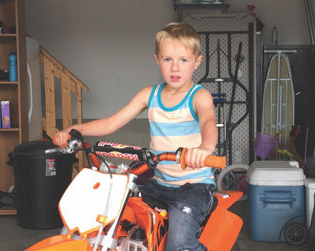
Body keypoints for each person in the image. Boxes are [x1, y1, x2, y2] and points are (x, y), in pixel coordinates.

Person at [54, 22, 218, 251]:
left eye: (183, 60)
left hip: (193, 188)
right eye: (167, 59)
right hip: (158, 184)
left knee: (179, 243)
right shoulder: (149, 94)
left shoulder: (199, 96)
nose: (175, 67)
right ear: (157, 59)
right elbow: (112, 122)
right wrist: (76, 130)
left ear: (197, 62)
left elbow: (209, 122)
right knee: (117, 213)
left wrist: (205, 149)